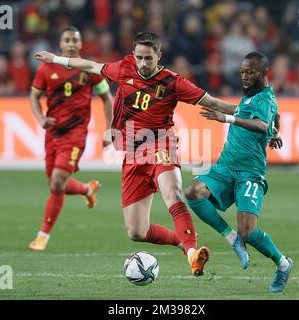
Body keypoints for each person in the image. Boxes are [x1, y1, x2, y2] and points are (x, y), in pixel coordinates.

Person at [35, 31, 238, 276]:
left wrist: (249, 113)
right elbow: (90, 65)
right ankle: (182, 243)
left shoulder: (173, 82)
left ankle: (193, 254)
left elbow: (214, 103)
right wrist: (54, 59)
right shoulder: (124, 68)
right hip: (132, 154)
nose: (143, 64)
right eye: (140, 57)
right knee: (136, 232)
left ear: (159, 56)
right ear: (133, 55)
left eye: (148, 59)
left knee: (172, 194)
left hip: (160, 143)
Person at [184, 51, 293, 292]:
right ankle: (232, 239)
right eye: (242, 72)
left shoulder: (264, 98)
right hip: (225, 167)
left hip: (250, 173)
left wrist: (227, 119)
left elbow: (263, 123)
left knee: (248, 232)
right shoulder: (251, 96)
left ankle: (283, 265)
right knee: (193, 192)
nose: (244, 76)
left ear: (263, 74)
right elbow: (274, 120)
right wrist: (275, 134)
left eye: (250, 72)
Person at [28, 26, 113, 251]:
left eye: (75, 40)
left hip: (75, 134)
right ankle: (87, 189)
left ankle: (42, 237)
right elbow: (34, 96)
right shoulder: (46, 69)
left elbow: (107, 98)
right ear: (61, 43)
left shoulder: (89, 69)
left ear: (81, 44)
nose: (72, 44)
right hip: (52, 133)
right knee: (57, 184)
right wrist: (39, 119)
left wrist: (109, 130)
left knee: (57, 182)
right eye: (67, 40)